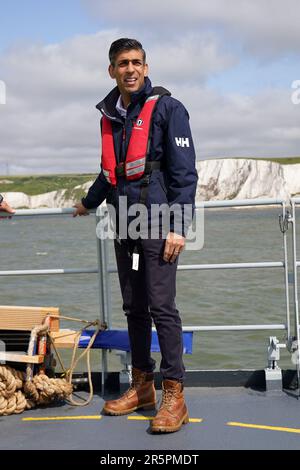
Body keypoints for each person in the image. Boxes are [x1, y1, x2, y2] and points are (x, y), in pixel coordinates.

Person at [73, 38, 198, 433]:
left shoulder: (168, 109)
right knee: (134, 307)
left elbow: (184, 173)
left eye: (137, 62)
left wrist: (180, 226)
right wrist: (88, 202)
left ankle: (174, 395)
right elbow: (111, 171)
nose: (130, 69)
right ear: (111, 70)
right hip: (124, 225)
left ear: (145, 68)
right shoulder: (110, 115)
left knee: (162, 307)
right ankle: (142, 385)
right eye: (123, 63)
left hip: (159, 224)